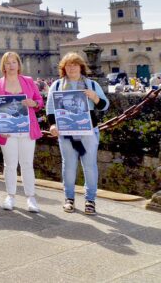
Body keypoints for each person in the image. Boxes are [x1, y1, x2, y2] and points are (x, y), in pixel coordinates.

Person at [46, 52, 109, 215]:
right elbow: (50, 109)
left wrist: (95, 98)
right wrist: (52, 125)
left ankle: (90, 200)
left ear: (81, 67)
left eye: (75, 64)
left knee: (90, 166)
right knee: (69, 166)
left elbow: (104, 106)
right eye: (68, 65)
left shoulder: (92, 85)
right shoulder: (57, 86)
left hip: (88, 131)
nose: (72, 67)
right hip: (66, 132)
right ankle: (69, 199)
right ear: (63, 68)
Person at [0, 52, 45, 213]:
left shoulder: (28, 81)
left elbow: (39, 101)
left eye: (14, 62)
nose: (11, 66)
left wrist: (33, 103)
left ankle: (31, 197)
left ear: (19, 65)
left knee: (27, 164)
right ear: (3, 66)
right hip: (7, 131)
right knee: (10, 164)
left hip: (27, 129)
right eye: (7, 63)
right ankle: (10, 195)